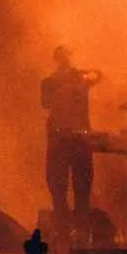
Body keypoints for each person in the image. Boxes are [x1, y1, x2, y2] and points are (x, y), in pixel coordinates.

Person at [41, 48, 103, 231]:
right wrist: (69, 83)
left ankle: (78, 231)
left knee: (80, 187)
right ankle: (64, 230)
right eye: (63, 57)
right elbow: (45, 102)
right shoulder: (50, 82)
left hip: (76, 138)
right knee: (58, 187)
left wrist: (79, 76)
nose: (65, 61)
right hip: (62, 138)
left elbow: (98, 75)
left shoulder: (79, 78)